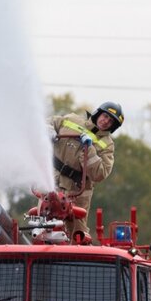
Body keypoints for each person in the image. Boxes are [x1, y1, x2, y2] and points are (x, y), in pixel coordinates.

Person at [48, 102, 122, 241]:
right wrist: (48, 130)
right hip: (53, 181)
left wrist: (89, 150)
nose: (106, 121)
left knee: (78, 235)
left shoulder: (108, 145)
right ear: (98, 113)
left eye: (111, 121)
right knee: (43, 223)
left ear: (113, 127)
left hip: (78, 191)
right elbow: (50, 122)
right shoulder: (72, 119)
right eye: (105, 116)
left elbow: (100, 174)